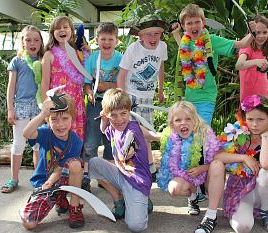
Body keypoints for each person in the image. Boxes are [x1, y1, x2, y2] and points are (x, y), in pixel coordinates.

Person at [172, 3, 256, 126]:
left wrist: (252, 32)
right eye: (189, 23)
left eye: (197, 22)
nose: (194, 26)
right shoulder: (185, 43)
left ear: (203, 22)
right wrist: (175, 34)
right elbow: (184, 51)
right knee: (188, 135)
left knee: (203, 133)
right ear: (184, 26)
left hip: (207, 98)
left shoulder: (212, 40)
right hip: (188, 99)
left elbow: (242, 44)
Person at [89, 88, 160, 232]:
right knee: (93, 163)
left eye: (123, 113)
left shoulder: (133, 130)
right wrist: (104, 119)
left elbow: (131, 143)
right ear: (107, 115)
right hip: (122, 174)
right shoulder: (113, 126)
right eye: (113, 115)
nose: (119, 119)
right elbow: (104, 130)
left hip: (137, 182)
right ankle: (118, 198)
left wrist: (128, 152)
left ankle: (142, 201)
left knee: (135, 226)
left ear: (129, 111)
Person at [216, 95, 268, 233]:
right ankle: (241, 212)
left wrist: (265, 138)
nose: (254, 124)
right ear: (244, 117)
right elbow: (217, 156)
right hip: (240, 192)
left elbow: (265, 164)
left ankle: (265, 212)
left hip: (261, 192)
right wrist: (244, 157)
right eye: (250, 119)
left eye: (260, 119)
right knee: (243, 228)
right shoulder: (235, 133)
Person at [19, 94, 85, 229]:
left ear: (73, 118)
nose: (60, 124)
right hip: (44, 184)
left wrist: (50, 182)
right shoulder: (45, 133)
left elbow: (61, 169)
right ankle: (58, 199)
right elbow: (26, 133)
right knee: (29, 224)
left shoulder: (76, 141)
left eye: (65, 118)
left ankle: (75, 206)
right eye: (54, 119)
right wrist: (43, 113)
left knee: (76, 164)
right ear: (48, 120)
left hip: (60, 182)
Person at [117, 14, 168, 178]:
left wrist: (160, 91)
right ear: (140, 35)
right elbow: (121, 75)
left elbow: (160, 67)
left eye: (156, 33)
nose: (153, 37)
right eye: (148, 34)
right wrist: (121, 99)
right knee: (129, 133)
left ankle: (150, 167)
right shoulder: (133, 49)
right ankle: (127, 166)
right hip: (131, 95)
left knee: (146, 133)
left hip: (147, 97)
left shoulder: (162, 47)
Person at [156, 101, 221, 228]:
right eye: (178, 120)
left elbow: (218, 161)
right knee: (174, 188)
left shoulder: (205, 135)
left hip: (208, 176)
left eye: (188, 119)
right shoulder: (170, 137)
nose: (183, 123)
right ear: (172, 124)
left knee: (217, 165)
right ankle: (192, 197)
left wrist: (202, 168)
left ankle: (211, 214)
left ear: (195, 120)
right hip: (187, 176)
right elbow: (150, 135)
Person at [1, 25, 44, 193]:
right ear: (22, 42)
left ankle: (38, 179)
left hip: (39, 107)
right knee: (18, 144)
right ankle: (14, 178)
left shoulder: (44, 59)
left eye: (36, 40)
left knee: (38, 145)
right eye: (28, 40)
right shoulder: (17, 61)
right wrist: (10, 109)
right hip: (22, 107)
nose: (32, 43)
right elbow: (11, 88)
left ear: (41, 42)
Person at [82, 22, 123, 192]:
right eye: (103, 39)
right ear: (97, 40)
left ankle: (105, 176)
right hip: (95, 104)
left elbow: (121, 83)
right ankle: (86, 176)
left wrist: (106, 85)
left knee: (110, 142)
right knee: (91, 142)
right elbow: (86, 83)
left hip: (113, 105)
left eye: (110, 39)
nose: (106, 42)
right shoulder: (92, 59)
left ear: (116, 40)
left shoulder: (121, 58)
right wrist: (90, 92)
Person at [41, 15, 88, 141]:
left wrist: (87, 52)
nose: (62, 30)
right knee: (58, 138)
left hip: (77, 102)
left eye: (65, 27)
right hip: (58, 103)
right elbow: (45, 82)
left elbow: (88, 75)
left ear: (72, 31)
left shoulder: (79, 53)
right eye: (57, 28)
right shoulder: (49, 55)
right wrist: (46, 106)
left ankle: (76, 160)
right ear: (53, 33)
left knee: (77, 138)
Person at [235, 15, 268, 101]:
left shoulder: (265, 49)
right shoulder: (247, 46)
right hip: (249, 97)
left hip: (262, 93)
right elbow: (238, 65)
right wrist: (256, 62)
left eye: (265, 32)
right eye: (257, 32)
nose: (261, 36)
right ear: (251, 33)